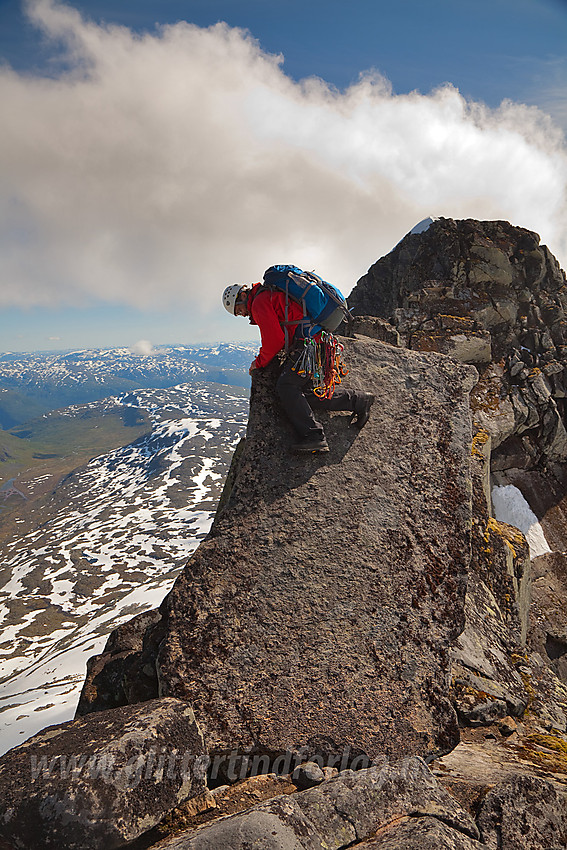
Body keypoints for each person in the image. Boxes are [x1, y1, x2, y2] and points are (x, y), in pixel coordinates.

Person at [222, 280, 374, 453]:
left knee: (287, 386)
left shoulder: (259, 302)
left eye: (239, 309)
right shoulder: (267, 294)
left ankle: (314, 437)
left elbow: (274, 340)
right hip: (317, 342)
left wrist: (258, 363)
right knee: (307, 394)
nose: (242, 314)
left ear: (243, 296)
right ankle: (359, 401)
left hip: (308, 345)